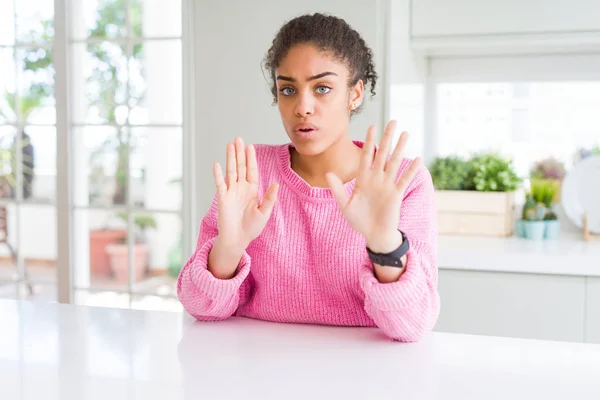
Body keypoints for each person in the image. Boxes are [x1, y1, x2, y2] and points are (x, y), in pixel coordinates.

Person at [177, 13, 439, 342]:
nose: (302, 107)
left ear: (355, 93)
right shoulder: (252, 172)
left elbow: (412, 326)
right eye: (288, 89)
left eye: (323, 88)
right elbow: (199, 307)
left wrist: (383, 244)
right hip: (256, 373)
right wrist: (229, 247)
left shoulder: (402, 181)